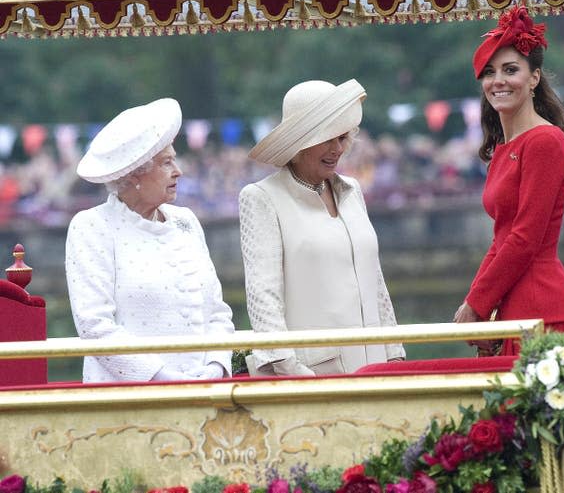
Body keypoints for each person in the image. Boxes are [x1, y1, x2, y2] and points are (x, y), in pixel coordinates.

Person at [238, 79, 405, 376]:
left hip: (378, 370)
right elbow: (263, 296)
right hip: (316, 376)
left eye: (342, 138)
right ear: (299, 142)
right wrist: (291, 370)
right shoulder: (262, 198)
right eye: (327, 138)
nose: (337, 148)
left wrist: (394, 355)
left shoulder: (352, 190)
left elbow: (375, 281)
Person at [65, 98, 235, 383]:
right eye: (167, 162)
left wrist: (216, 367)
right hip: (130, 403)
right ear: (134, 176)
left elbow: (218, 312)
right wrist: (163, 378)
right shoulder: (92, 226)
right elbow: (94, 326)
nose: (178, 171)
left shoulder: (186, 221)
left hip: (206, 392)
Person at [453, 5, 564, 355]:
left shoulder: (545, 141)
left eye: (510, 70)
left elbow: (525, 238)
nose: (497, 81)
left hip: (545, 312)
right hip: (515, 309)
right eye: (490, 72)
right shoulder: (504, 147)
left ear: (534, 78)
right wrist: (478, 305)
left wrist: (477, 306)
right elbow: (502, 239)